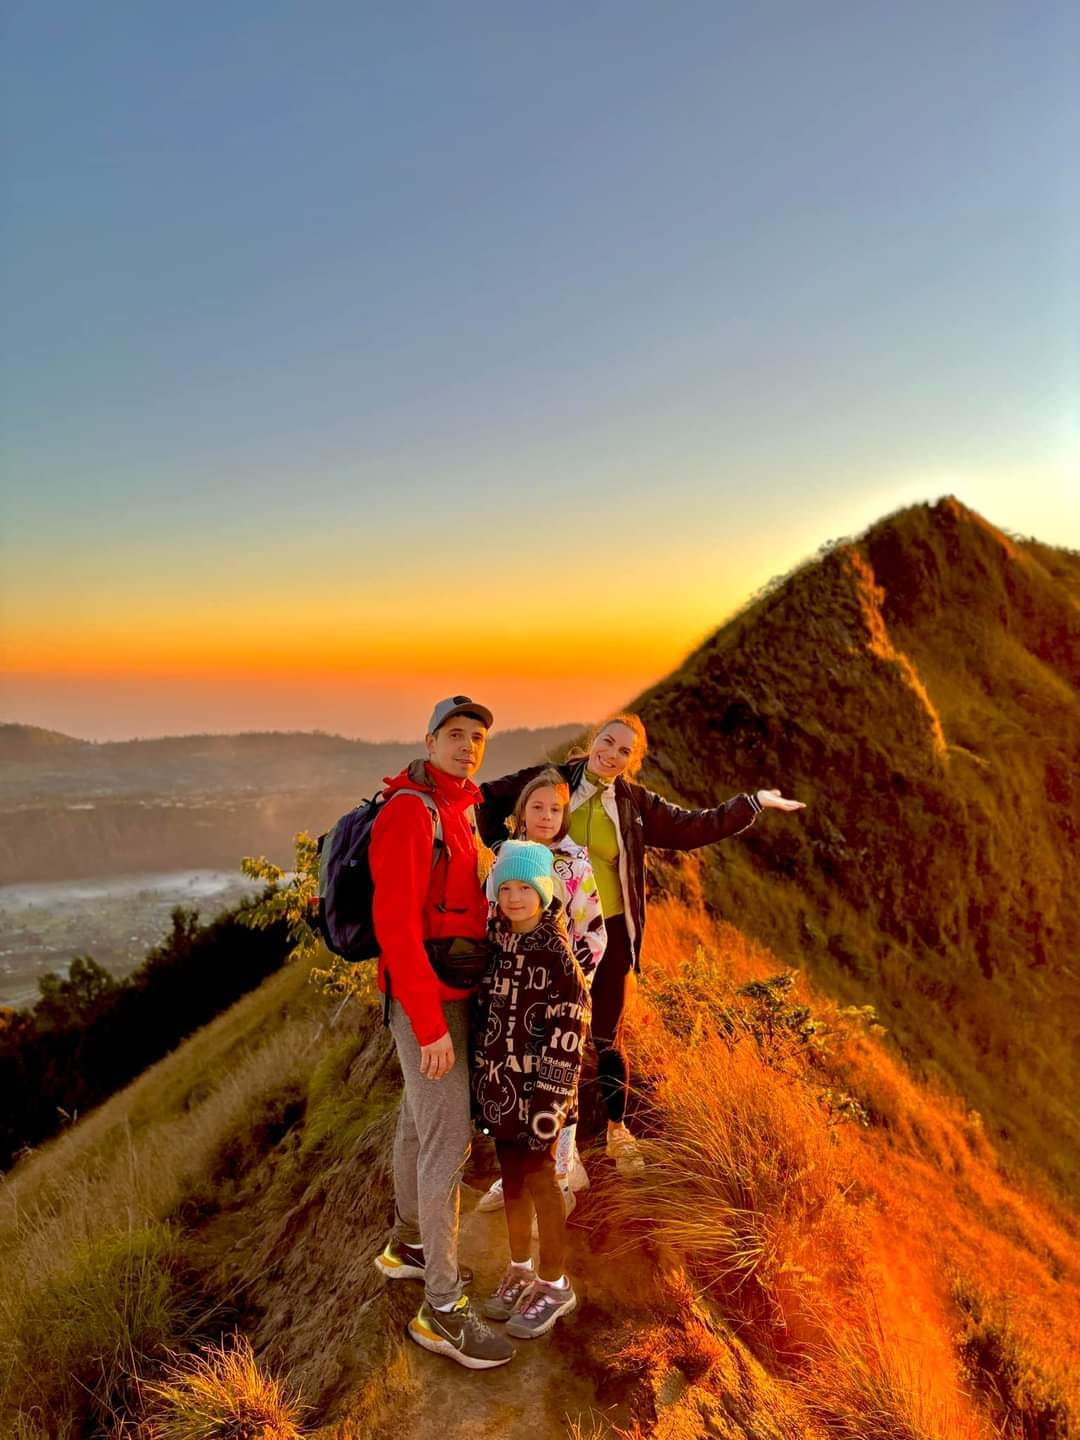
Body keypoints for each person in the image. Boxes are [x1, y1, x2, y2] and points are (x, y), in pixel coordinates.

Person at [479, 713, 805, 1174]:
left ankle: (617, 1130)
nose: (611, 754)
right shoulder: (552, 783)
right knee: (540, 1038)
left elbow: (694, 827)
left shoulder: (633, 803)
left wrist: (752, 802)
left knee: (606, 1036)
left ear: (633, 761)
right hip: (544, 930)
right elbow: (488, 800)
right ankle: (536, 1158)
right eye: (607, 742)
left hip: (605, 933)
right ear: (594, 741)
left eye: (623, 751)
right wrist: (504, 856)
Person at [370, 695, 514, 1371]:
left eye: (478, 737)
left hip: (451, 994)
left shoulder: (459, 808)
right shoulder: (408, 812)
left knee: (414, 1121)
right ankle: (443, 1309)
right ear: (429, 741)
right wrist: (429, 1027)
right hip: (425, 1000)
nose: (468, 745)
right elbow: (395, 925)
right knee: (446, 1143)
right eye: (456, 734)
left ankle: (408, 1244)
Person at [471, 840, 590, 1339]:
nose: (515, 897)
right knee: (514, 1183)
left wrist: (549, 1112)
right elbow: (488, 1022)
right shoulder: (499, 946)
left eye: (525, 887)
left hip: (543, 1104)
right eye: (506, 888)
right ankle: (520, 1267)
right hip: (501, 1097)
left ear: (543, 891)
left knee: (544, 1188)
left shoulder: (559, 959)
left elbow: (567, 1042)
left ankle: (554, 1282)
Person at [477, 767, 604, 1216]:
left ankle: (561, 1179)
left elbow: (593, 932)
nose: (547, 816)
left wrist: (572, 984)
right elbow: (491, 920)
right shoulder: (502, 857)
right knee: (518, 1086)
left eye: (556, 809)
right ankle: (512, 1178)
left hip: (559, 998)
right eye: (538, 807)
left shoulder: (576, 864)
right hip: (510, 998)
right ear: (521, 812)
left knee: (560, 1089)